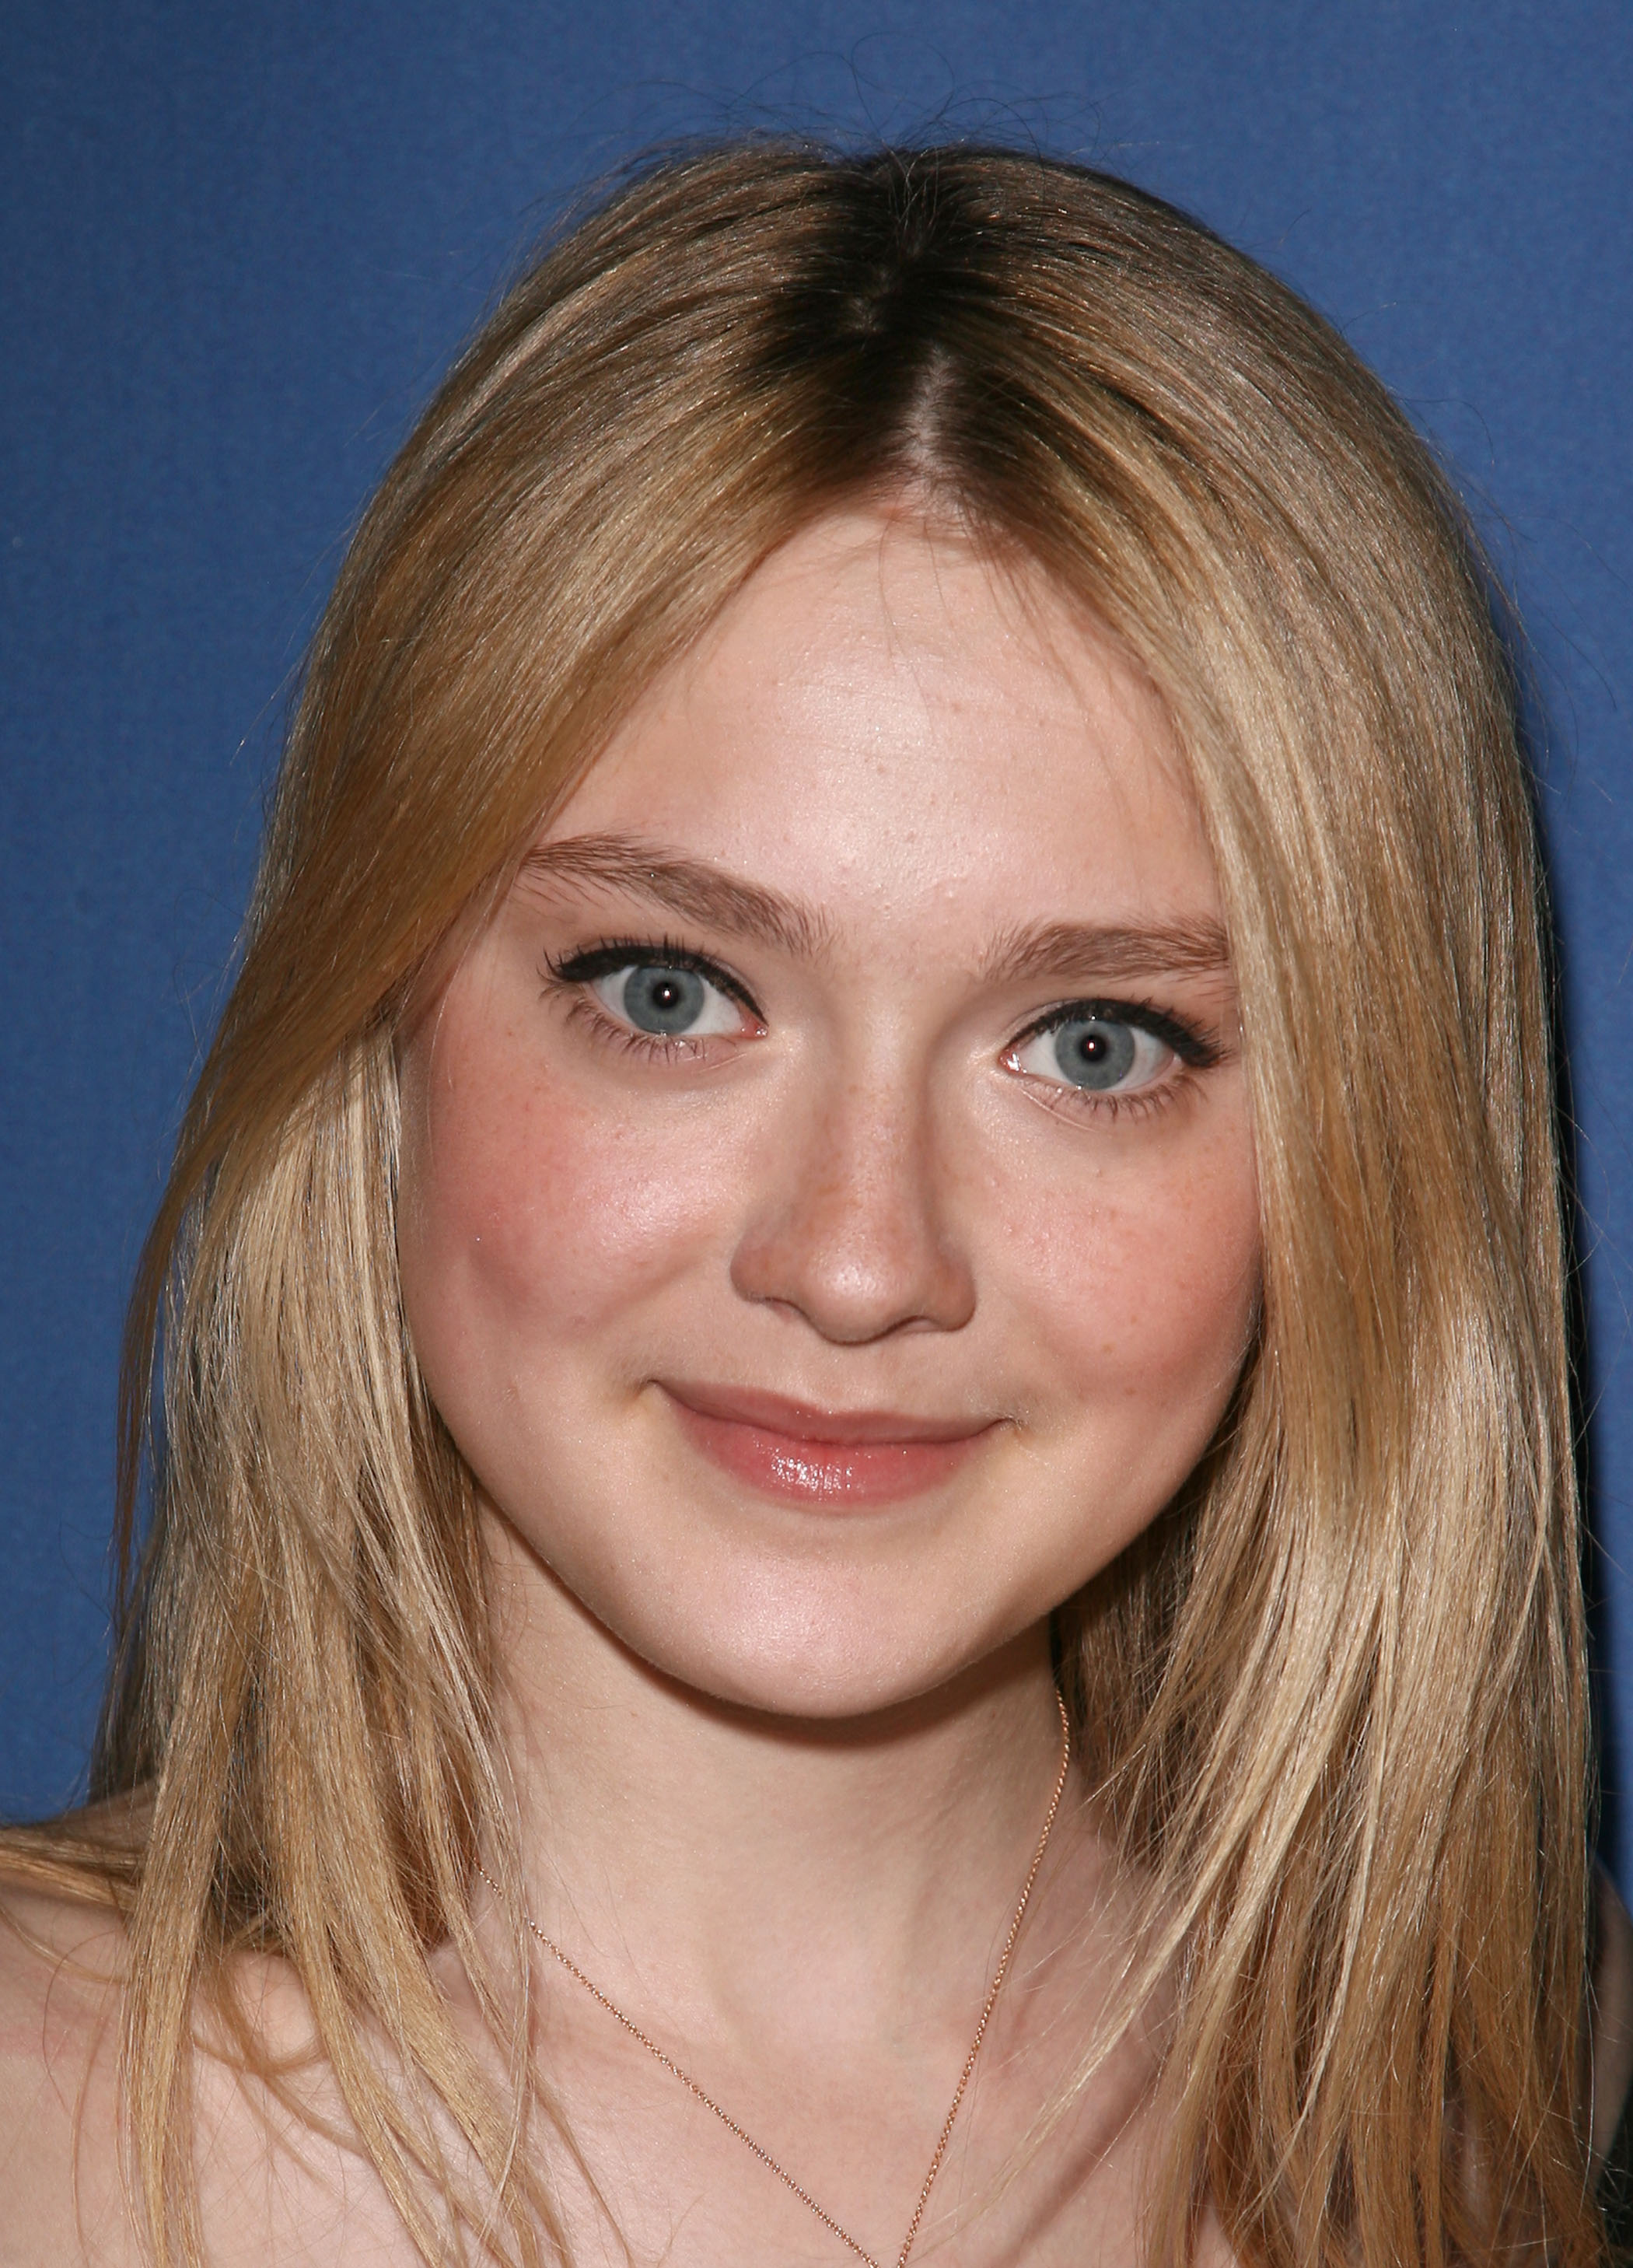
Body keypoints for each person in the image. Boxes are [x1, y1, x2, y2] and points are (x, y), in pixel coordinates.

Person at [1, 138, 1627, 2267]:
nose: (857, 1261)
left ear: (1353, 1161)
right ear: (378, 1026)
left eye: (1096, 1044)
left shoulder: (1515, 2089)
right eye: (669, 992)